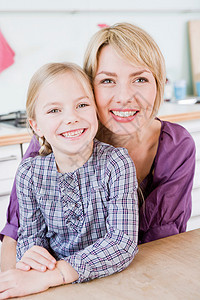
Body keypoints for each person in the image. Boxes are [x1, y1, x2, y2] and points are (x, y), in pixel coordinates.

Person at [0, 22, 195, 271]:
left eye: (141, 79)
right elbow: (17, 233)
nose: (125, 96)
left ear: (159, 84)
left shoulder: (176, 146)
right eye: (107, 81)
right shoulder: (58, 139)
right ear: (90, 86)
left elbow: (163, 242)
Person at [0, 62, 138, 298]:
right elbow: (31, 236)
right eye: (54, 110)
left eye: (82, 105)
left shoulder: (116, 163)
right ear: (36, 126)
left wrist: (57, 273)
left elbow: (122, 242)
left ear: (95, 110)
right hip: (54, 285)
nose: (71, 118)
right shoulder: (29, 174)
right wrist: (32, 255)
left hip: (113, 279)